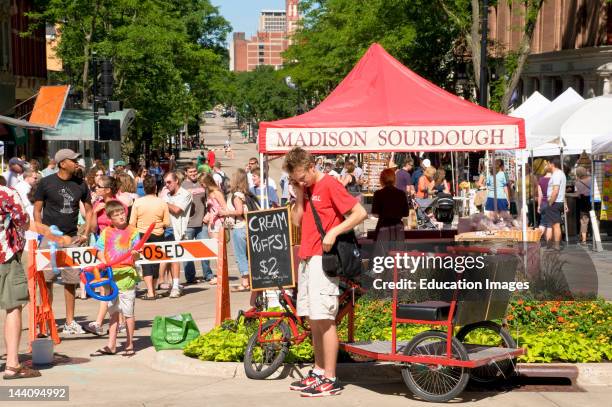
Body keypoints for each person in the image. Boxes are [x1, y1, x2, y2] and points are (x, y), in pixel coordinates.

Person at [284, 147, 367, 397]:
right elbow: (297, 221)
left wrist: (334, 231)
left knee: (325, 319)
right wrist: (300, 193)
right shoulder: (306, 189)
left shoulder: (329, 184)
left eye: (302, 176)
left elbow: (360, 213)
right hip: (308, 257)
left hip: (324, 259)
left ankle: (330, 377)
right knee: (313, 319)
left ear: (312, 166)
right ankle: (319, 371)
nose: (300, 181)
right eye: (295, 179)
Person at [34, 149, 93, 335]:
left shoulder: (81, 184)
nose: (77, 162)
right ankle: (45, 321)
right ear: (62, 163)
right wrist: (41, 231)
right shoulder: (45, 183)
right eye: (73, 160)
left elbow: (90, 211)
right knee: (46, 280)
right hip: (49, 238)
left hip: (72, 238)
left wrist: (86, 233)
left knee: (71, 281)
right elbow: (37, 210)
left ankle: (70, 322)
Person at [0, 183, 42, 379]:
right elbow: (23, 220)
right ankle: (12, 364)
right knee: (13, 307)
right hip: (5, 256)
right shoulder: (6, 193)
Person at [89, 200, 140, 357]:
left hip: (127, 276)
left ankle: (129, 344)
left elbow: (137, 253)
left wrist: (135, 254)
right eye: (116, 215)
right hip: (111, 277)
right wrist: (103, 260)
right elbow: (96, 249)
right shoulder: (107, 232)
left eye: (122, 213)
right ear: (110, 219)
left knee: (128, 313)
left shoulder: (133, 231)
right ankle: (111, 345)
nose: (121, 216)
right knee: (113, 312)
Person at [129, 175, 169, 300]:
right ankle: (154, 289)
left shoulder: (138, 202)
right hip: (158, 235)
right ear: (156, 188)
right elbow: (167, 222)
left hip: (142, 235)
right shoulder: (162, 202)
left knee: (145, 263)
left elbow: (131, 223)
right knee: (156, 262)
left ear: (144, 189)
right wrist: (158, 224)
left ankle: (150, 291)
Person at [162, 172, 193, 297]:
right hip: (166, 228)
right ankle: (172, 283)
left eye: (169, 182)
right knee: (168, 258)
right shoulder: (167, 195)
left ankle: (175, 286)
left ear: (176, 181)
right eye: (165, 183)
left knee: (175, 257)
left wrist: (162, 202)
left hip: (177, 229)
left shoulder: (185, 194)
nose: (167, 185)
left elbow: (177, 210)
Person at [219, 169, 250, 291]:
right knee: (245, 255)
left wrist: (226, 212)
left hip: (239, 227)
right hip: (244, 226)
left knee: (240, 255)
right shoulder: (244, 193)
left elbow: (239, 211)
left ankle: (245, 282)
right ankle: (248, 280)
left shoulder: (237, 195)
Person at [182, 165, 213, 284]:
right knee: (188, 252)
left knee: (205, 250)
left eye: (195, 171)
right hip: (188, 224)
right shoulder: (182, 186)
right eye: (190, 172)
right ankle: (190, 277)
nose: (193, 173)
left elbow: (209, 200)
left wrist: (209, 213)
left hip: (202, 223)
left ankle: (208, 274)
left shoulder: (202, 183)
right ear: (186, 173)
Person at [372, 168, 409, 240]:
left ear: (381, 180)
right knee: (397, 250)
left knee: (382, 250)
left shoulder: (378, 193)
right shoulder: (401, 194)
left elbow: (375, 213)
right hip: (397, 228)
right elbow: (406, 213)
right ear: (394, 179)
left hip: (383, 226)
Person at [545, 157, 567, 249]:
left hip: (555, 202)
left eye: (548, 164)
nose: (547, 166)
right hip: (558, 201)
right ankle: (556, 244)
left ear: (552, 164)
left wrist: (550, 202)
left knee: (556, 225)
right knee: (555, 224)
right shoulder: (560, 174)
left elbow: (556, 190)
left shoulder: (557, 174)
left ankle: (557, 245)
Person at [575, 166, 591, 246]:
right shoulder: (591, 179)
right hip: (593, 202)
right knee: (595, 220)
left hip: (583, 204)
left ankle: (584, 240)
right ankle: (596, 237)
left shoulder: (577, 183)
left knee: (584, 222)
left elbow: (578, 195)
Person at [537, 166, 552, 235]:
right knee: (550, 225)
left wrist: (539, 206)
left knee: (542, 223)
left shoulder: (540, 180)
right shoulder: (554, 179)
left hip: (543, 203)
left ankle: (537, 240)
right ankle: (549, 244)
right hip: (552, 203)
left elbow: (540, 195)